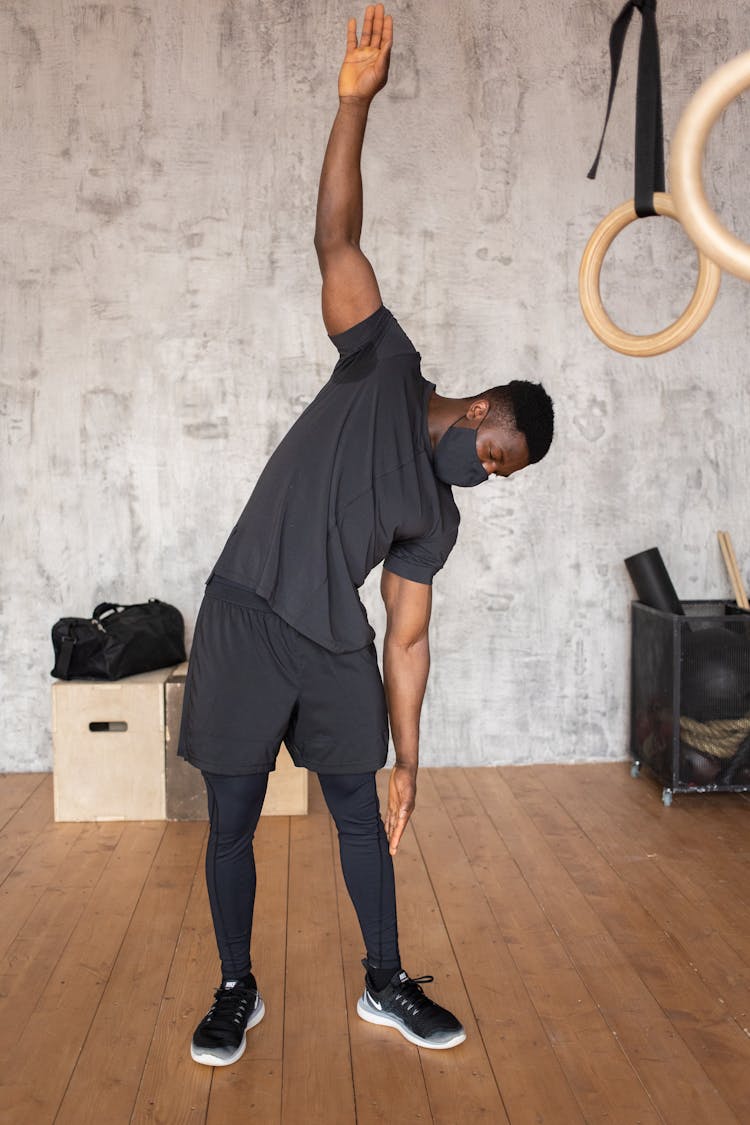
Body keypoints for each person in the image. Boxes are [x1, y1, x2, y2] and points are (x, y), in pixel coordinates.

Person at [179, 3, 554, 1068]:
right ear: (483, 408)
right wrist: (353, 106)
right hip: (247, 610)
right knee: (233, 821)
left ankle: (385, 982)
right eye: (497, 456)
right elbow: (336, 237)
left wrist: (412, 758)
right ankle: (235, 989)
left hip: (329, 641)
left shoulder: (434, 517)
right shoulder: (381, 364)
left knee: (360, 812)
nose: (488, 477)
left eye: (502, 478)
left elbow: (408, 635)